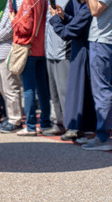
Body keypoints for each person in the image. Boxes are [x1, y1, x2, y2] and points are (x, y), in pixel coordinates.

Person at [49, 0, 97, 143]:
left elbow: (68, 32)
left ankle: (77, 129)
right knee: (84, 91)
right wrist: (64, 16)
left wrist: (55, 19)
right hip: (82, 49)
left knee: (77, 90)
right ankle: (86, 128)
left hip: (82, 51)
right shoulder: (83, 6)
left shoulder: (87, 8)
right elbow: (75, 23)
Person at [11, 0, 52, 136]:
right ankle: (45, 123)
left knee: (28, 89)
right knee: (42, 88)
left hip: (29, 48)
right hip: (41, 47)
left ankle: (30, 125)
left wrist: (13, 20)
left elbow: (25, 27)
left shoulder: (29, 1)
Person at [0, 0, 24, 133]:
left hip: (10, 48)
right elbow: (1, 23)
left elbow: (13, 25)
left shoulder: (19, 2)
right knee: (4, 88)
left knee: (11, 87)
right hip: (1, 49)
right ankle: (10, 117)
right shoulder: (11, 2)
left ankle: (15, 119)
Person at [82, 0, 112, 151]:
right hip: (104, 41)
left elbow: (94, 10)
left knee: (101, 90)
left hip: (102, 41)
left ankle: (103, 137)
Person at [44, 0, 70, 136]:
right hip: (49, 51)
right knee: (53, 92)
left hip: (62, 52)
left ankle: (70, 125)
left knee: (64, 91)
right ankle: (58, 123)